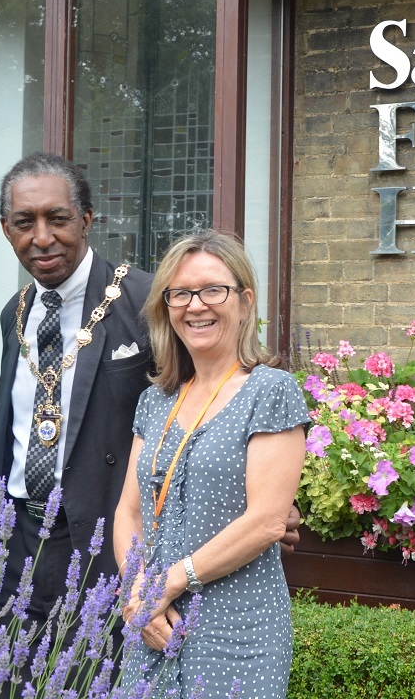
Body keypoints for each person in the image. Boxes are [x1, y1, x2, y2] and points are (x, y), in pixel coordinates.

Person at [113, 229, 310, 699]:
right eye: (180, 293)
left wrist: (166, 585)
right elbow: (130, 513)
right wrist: (137, 593)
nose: (195, 305)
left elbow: (266, 521)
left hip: (237, 630)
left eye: (212, 290)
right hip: (154, 626)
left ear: (244, 301)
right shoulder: (154, 400)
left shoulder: (271, 391)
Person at [0, 153, 155, 627]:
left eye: (57, 219)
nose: (42, 237)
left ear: (85, 220)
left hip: (105, 542)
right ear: (6, 229)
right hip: (18, 539)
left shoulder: (146, 300)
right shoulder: (13, 313)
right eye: (24, 222)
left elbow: (202, 406)